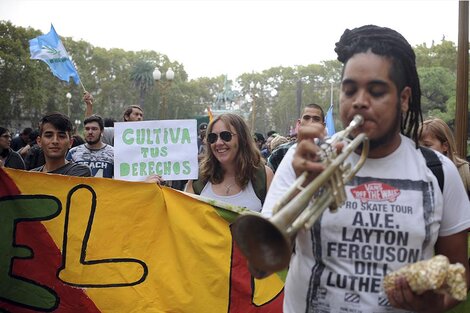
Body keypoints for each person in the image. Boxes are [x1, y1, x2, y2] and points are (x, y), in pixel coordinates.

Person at [262, 25, 470, 313]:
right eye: (350, 90)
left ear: (405, 98)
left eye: (376, 91)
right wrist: (303, 188)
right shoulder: (303, 160)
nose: (360, 101)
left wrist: (434, 303)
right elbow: (262, 266)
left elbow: (458, 278)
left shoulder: (439, 172)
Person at [185, 113, 274, 213]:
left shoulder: (263, 176)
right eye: (212, 137)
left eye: (225, 136)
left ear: (242, 139)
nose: (218, 143)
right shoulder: (198, 178)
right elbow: (184, 216)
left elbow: (276, 221)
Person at [419, 117, 470, 198]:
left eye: (427, 145)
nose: (421, 150)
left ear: (445, 146)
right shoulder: (414, 172)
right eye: (417, 146)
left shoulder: (465, 172)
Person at [267, 103, 325, 172]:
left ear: (323, 125)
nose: (311, 122)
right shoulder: (280, 152)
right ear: (299, 123)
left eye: (316, 119)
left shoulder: (329, 153)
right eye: (306, 118)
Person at [31, 113, 91, 177]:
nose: (55, 141)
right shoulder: (30, 176)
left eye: (61, 136)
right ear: (39, 141)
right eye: (49, 136)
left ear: (70, 142)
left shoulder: (80, 172)